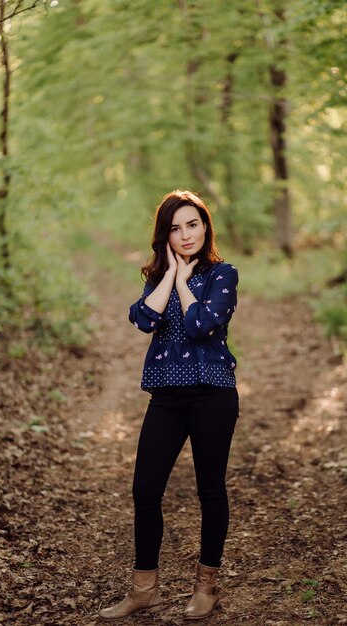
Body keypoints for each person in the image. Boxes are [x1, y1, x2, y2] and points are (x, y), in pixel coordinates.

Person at [99, 189, 239, 621]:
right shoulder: (156, 278)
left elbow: (201, 324)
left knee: (210, 489)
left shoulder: (223, 275)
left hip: (213, 393)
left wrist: (183, 283)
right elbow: (143, 318)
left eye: (192, 224)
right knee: (145, 490)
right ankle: (144, 590)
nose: (185, 235)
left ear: (205, 226)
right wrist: (169, 276)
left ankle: (206, 586)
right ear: (164, 236)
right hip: (167, 398)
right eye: (175, 228)